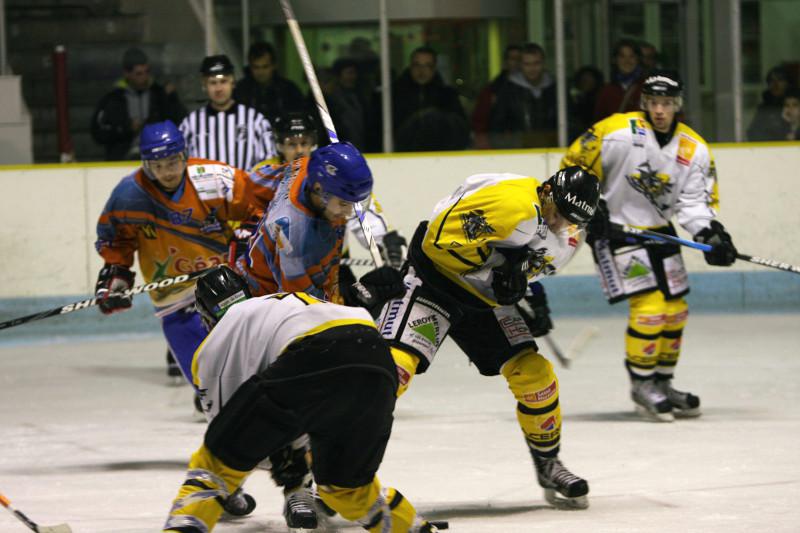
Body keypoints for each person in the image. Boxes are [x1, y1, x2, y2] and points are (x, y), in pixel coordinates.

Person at [95, 120, 309, 524]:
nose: (167, 171)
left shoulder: (216, 179)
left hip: (227, 293)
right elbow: (115, 240)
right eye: (158, 165)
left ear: (185, 155)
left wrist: (249, 232)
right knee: (214, 394)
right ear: (146, 164)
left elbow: (261, 205)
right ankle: (225, 482)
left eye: (173, 161)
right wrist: (116, 277)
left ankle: (300, 479)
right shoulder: (128, 194)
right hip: (175, 306)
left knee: (261, 385)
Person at [374, 166, 601, 509]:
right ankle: (338, 476)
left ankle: (548, 462)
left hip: (483, 301)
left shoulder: (565, 232)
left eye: (568, 221)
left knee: (536, 375)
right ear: (546, 191)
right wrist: (499, 270)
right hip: (434, 282)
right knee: (389, 374)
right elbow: (437, 241)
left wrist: (528, 291)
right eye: (557, 213)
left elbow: (525, 261)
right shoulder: (513, 204)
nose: (558, 223)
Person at [163, 266, 439, 533]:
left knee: (213, 468)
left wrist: (284, 464)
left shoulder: (213, 346)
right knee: (348, 490)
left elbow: (233, 437)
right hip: (376, 359)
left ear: (205, 316)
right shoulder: (286, 302)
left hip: (313, 355)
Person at [561, 70, 738, 422]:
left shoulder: (694, 148)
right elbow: (573, 167)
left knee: (676, 310)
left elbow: (694, 204)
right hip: (615, 232)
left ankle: (662, 382)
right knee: (650, 308)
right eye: (653, 102)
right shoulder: (616, 132)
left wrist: (710, 234)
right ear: (644, 102)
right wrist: (590, 207)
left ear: (677, 105)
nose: (659, 110)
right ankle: (642, 385)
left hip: (659, 232)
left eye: (666, 103)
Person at [233, 112, 406, 285]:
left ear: (313, 143)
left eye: (304, 143)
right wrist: (244, 236)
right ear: (279, 145)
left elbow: (356, 207)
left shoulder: (330, 171)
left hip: (331, 263)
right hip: (279, 264)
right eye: (292, 144)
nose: (299, 150)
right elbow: (249, 210)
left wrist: (384, 239)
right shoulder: (268, 171)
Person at [179, 54, 276, 171]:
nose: (219, 88)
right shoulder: (190, 124)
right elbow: (180, 165)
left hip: (246, 183)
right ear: (204, 85)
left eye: (223, 81)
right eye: (213, 83)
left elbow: (270, 166)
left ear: (233, 82)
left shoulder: (256, 121)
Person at [91, 47, 186, 161]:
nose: (144, 77)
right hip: (122, 159)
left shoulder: (159, 94)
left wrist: (172, 99)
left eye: (147, 72)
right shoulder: (113, 99)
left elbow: (181, 122)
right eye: (139, 73)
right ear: (127, 74)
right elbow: (98, 133)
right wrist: (125, 128)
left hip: (159, 157)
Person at [390, 46, 469, 152]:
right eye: (417, 65)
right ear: (410, 66)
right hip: (402, 155)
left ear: (434, 68)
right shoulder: (394, 95)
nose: (421, 70)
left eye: (428, 65)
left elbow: (460, 130)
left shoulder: (447, 96)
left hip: (439, 155)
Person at [489, 42, 557, 148]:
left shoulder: (556, 89)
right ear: (521, 65)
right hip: (518, 150)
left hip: (552, 149)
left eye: (536, 63)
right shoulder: (508, 90)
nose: (532, 68)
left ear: (544, 64)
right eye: (527, 64)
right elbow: (497, 126)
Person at [232, 41, 306, 125]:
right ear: (250, 66)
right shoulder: (240, 90)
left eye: (265, 67)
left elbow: (299, 118)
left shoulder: (289, 90)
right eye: (256, 67)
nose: (260, 72)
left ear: (273, 66)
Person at [472, 44, 521, 149]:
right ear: (506, 62)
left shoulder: (532, 90)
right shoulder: (492, 90)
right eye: (513, 59)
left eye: (519, 59)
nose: (516, 63)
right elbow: (479, 121)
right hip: (498, 145)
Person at [593, 39, 645, 121]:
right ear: (615, 60)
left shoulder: (647, 87)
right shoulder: (606, 91)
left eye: (631, 56)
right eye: (622, 56)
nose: (627, 61)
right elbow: (599, 121)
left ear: (638, 59)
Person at [325, 57, 368, 150]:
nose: (353, 77)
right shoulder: (331, 98)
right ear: (339, 75)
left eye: (354, 73)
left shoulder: (359, 96)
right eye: (349, 73)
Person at [747, 66, 794, 141]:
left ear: (788, 83)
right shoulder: (764, 107)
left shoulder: (795, 104)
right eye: (771, 80)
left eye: (780, 79)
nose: (775, 84)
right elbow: (752, 133)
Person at [568, 65, 604, 142]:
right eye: (584, 80)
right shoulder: (575, 99)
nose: (586, 83)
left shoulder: (600, 98)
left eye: (589, 80)